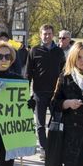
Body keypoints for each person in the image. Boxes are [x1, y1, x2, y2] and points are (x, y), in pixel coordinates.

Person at [26, 24, 65, 158]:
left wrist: (63, 90)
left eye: (49, 33)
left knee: (55, 122)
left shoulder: (59, 52)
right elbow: (28, 73)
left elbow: (63, 72)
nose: (47, 36)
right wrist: (26, 93)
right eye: (44, 34)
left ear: (53, 35)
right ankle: (44, 149)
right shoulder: (34, 51)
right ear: (40, 34)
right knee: (40, 123)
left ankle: (53, 148)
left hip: (55, 93)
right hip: (39, 92)